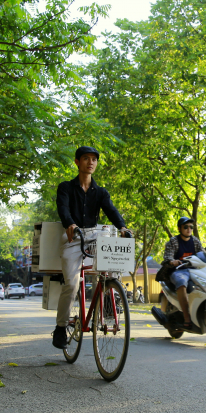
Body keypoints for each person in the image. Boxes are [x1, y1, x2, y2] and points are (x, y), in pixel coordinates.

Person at [52, 146, 131, 349]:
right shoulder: (66, 187)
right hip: (73, 237)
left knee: (111, 269)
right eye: (86, 158)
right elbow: (63, 208)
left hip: (94, 236)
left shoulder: (101, 192)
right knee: (71, 284)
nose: (91, 162)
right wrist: (70, 224)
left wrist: (122, 227)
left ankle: (108, 299)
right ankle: (60, 327)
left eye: (94, 159)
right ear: (77, 162)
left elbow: (111, 210)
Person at [160, 217, 204, 330]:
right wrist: (172, 261)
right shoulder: (173, 241)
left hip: (193, 270)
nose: (189, 229)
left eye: (191, 227)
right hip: (178, 271)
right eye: (186, 227)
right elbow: (168, 256)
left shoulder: (195, 241)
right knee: (181, 282)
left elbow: (203, 254)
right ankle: (187, 318)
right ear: (179, 228)